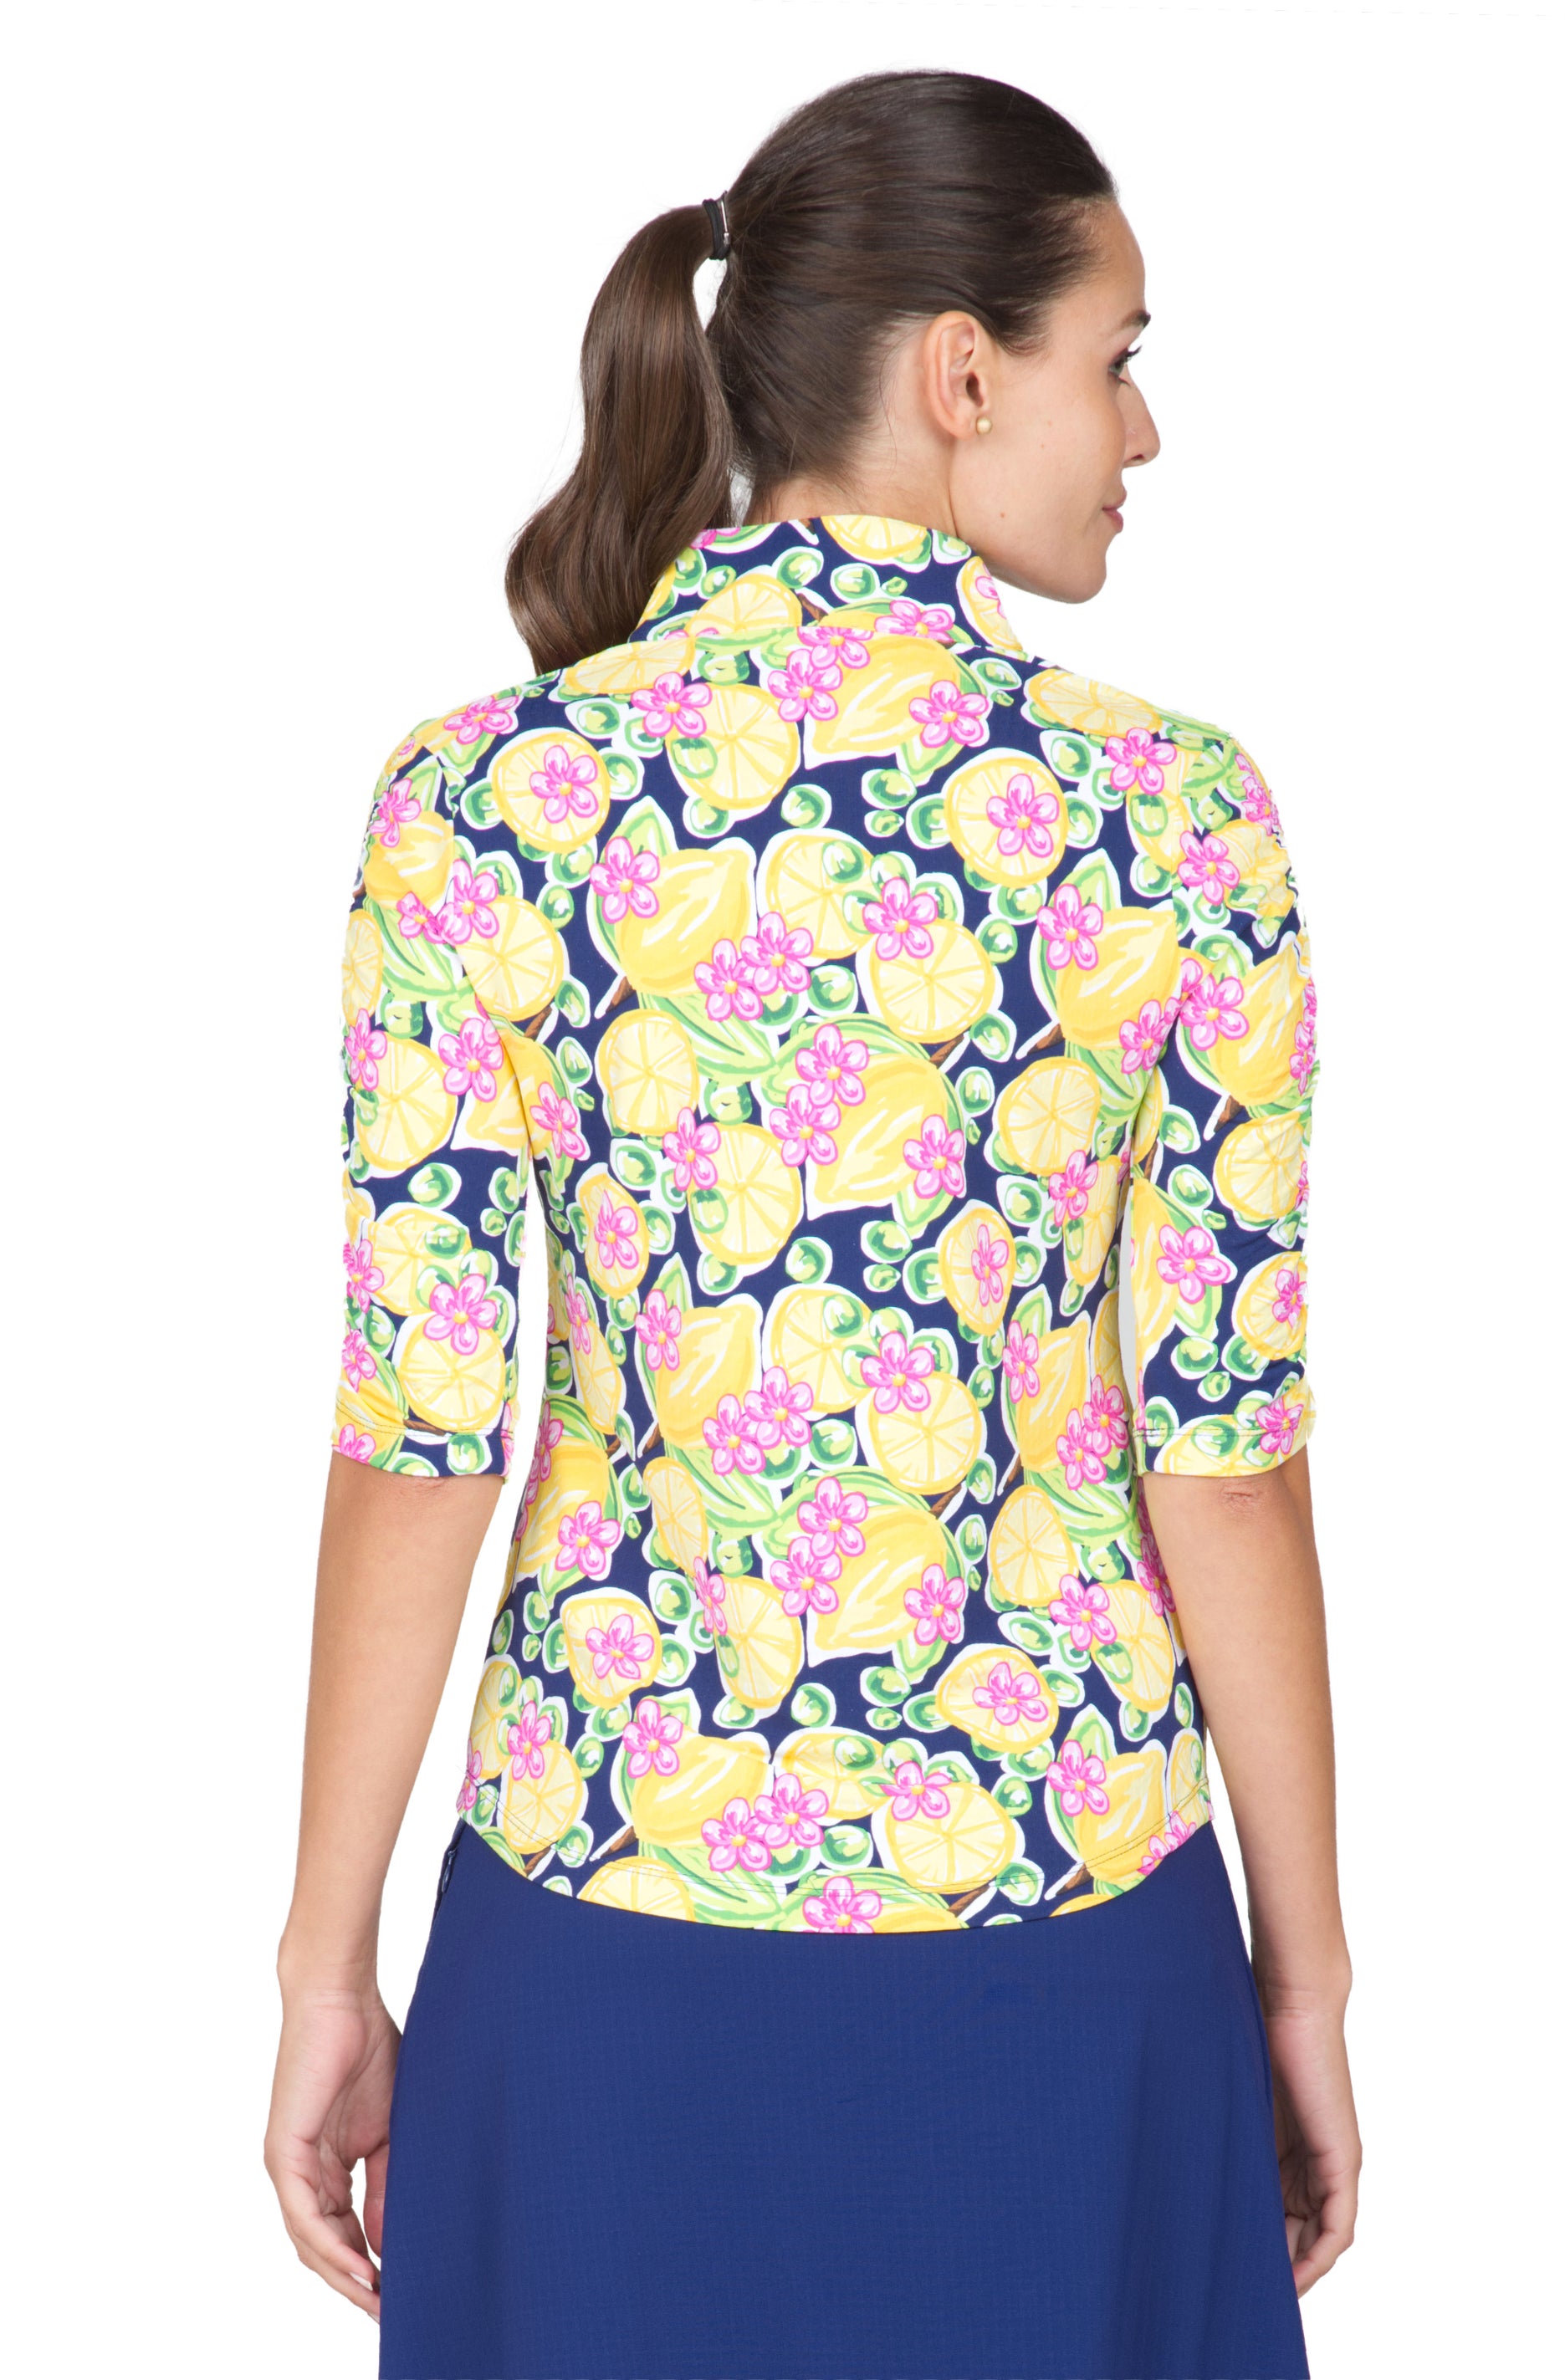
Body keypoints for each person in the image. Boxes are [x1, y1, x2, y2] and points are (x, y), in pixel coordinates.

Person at [265, 67, 1358, 2380]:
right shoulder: (1172, 822)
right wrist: (1305, 1975)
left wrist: (321, 1961)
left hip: (596, 1941)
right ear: (963, 370)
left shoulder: (485, 805)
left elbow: (419, 1440)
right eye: (1116, 360)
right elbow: (1227, 1456)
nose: (1139, 433)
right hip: (1071, 1942)